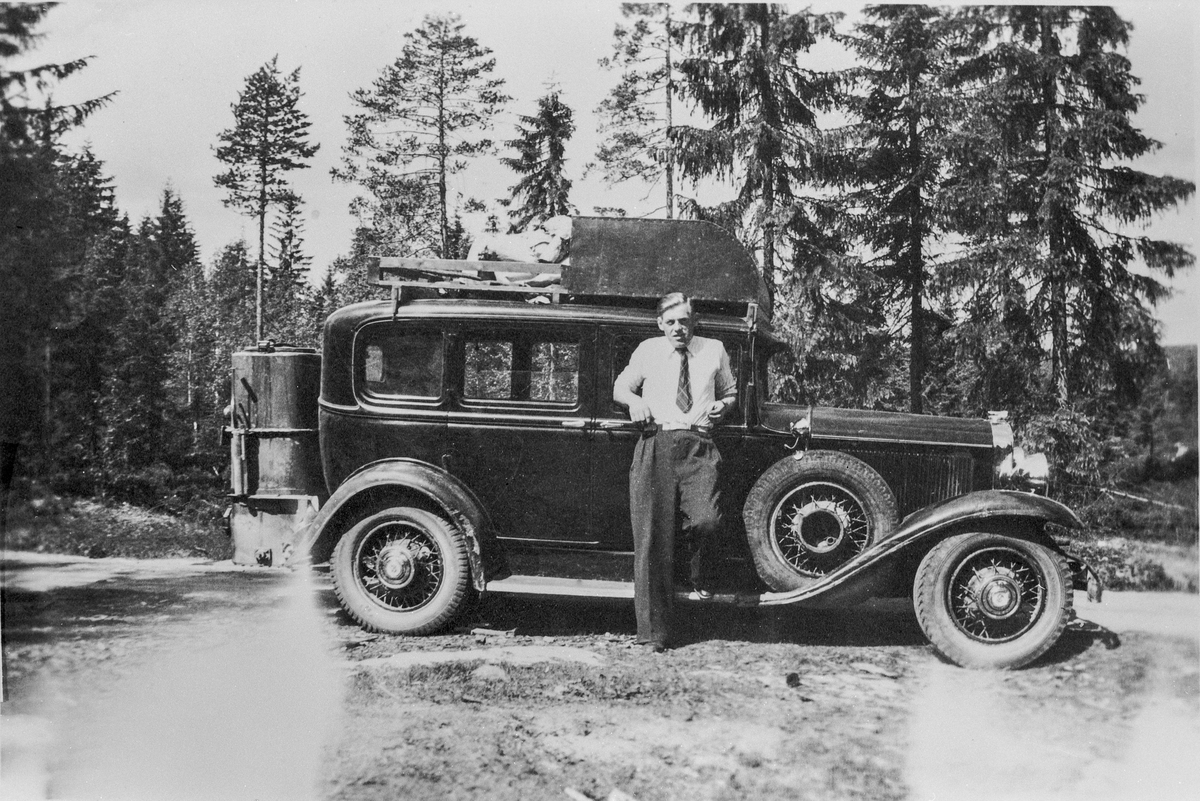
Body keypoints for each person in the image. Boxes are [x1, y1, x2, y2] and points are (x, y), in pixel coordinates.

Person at [613, 292, 737, 652]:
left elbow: (729, 392)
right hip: (656, 441)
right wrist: (635, 401)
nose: (678, 329)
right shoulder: (648, 350)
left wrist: (723, 406)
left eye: (684, 321)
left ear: (693, 321)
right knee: (652, 538)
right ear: (660, 324)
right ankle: (654, 634)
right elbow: (621, 387)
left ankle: (697, 576)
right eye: (671, 322)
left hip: (699, 445)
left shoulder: (714, 349)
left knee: (707, 520)